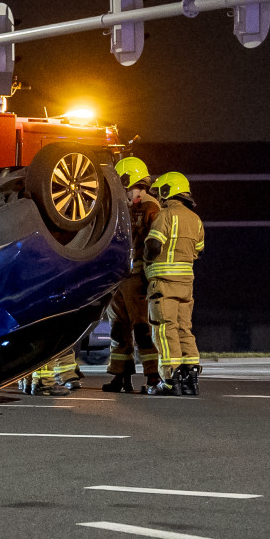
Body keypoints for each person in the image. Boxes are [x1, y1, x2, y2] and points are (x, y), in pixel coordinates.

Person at [103, 156, 162, 393]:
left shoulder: (151, 207)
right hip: (118, 278)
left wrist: (149, 277)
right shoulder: (121, 206)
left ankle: (153, 376)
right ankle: (121, 376)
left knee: (142, 329)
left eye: (124, 186)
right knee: (118, 329)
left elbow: (154, 245)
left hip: (138, 279)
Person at [144, 171, 205, 396]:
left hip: (163, 284)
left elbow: (153, 245)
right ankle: (190, 379)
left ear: (167, 191)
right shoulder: (195, 220)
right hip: (185, 286)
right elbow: (199, 251)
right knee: (184, 329)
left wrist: (147, 261)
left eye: (160, 191)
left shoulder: (166, 215)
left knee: (164, 329)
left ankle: (170, 379)